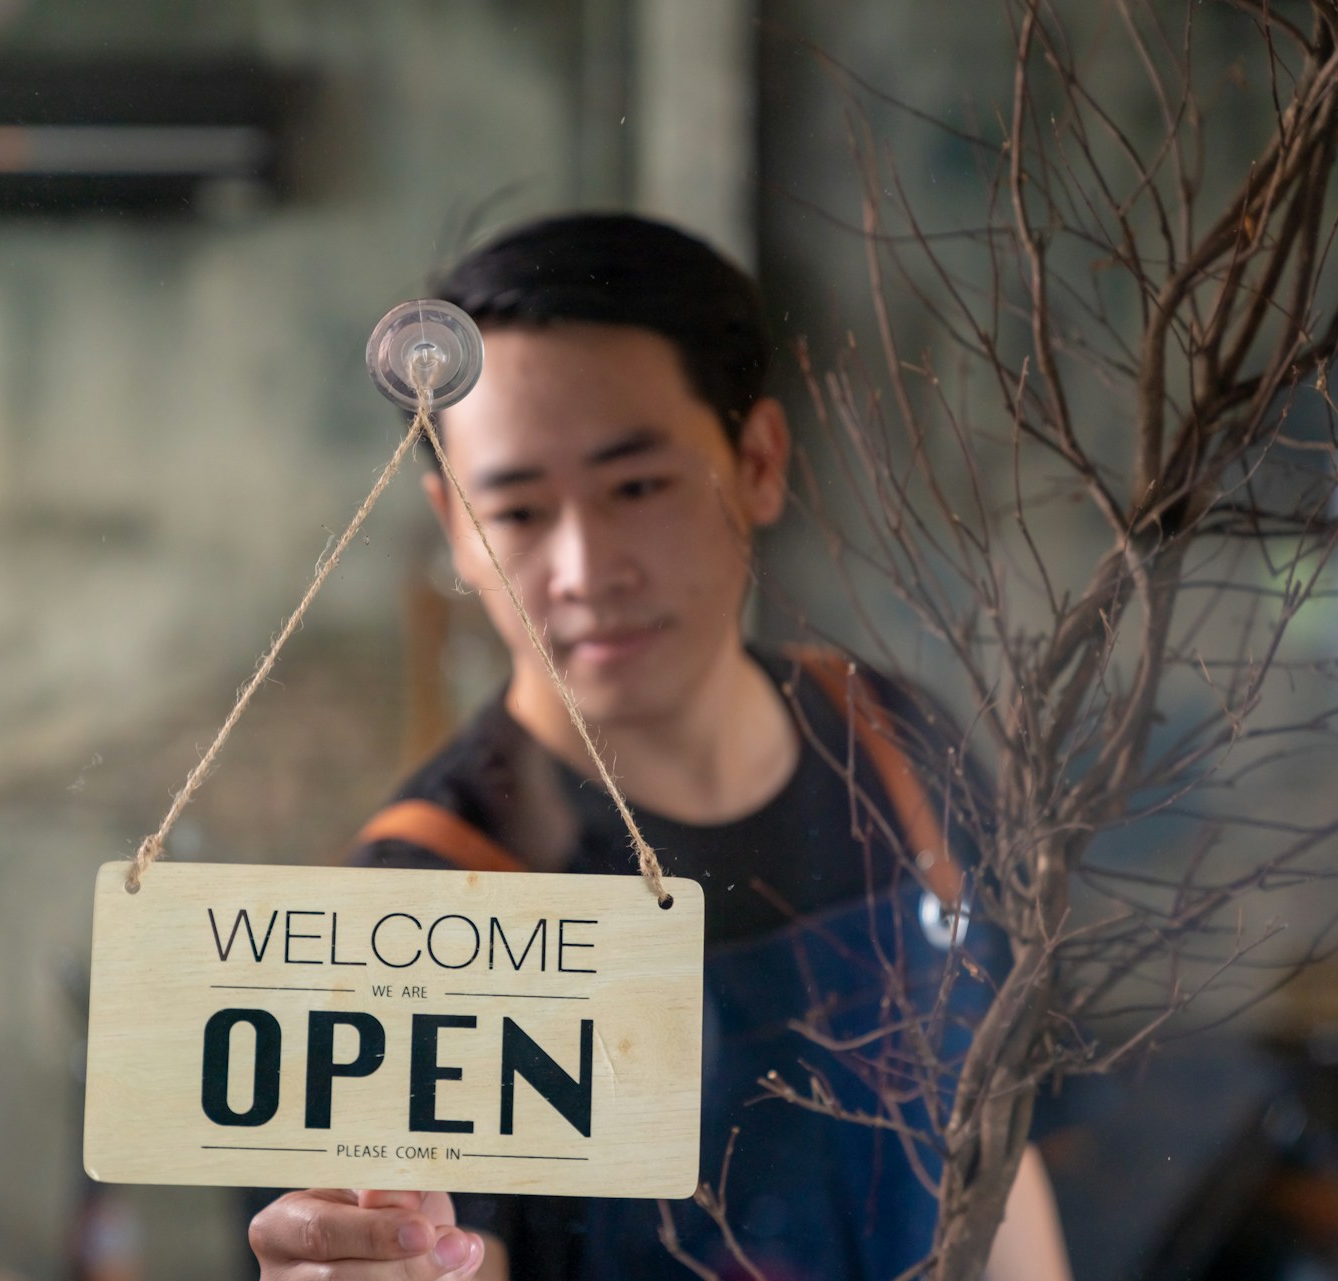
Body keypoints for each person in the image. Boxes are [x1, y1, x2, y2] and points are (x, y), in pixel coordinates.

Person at [248, 214, 1070, 1280]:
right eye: (519, 511)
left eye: (636, 487)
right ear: (455, 529)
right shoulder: (421, 905)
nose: (585, 568)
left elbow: (998, 1161)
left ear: (759, 462)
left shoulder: (899, 745)